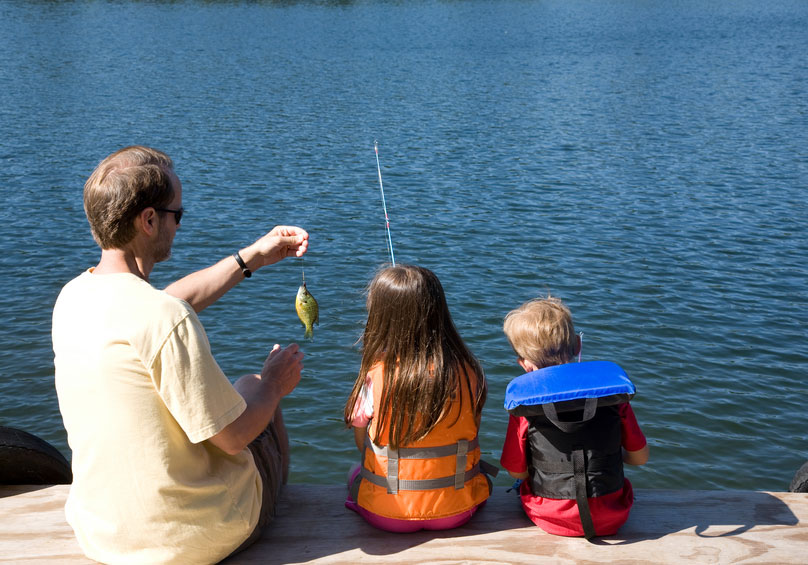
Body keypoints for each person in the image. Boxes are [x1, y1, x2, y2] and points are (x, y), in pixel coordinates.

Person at [52, 146, 309, 564]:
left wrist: (251, 258)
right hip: (185, 538)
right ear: (149, 221)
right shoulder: (163, 318)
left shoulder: (74, 296)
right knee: (255, 388)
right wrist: (274, 385)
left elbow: (165, 304)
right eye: (178, 214)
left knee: (245, 392)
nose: (178, 224)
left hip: (102, 531)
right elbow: (232, 438)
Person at [343, 265, 495, 532]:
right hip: (458, 510)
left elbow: (362, 444)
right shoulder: (470, 371)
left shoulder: (375, 374)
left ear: (379, 317)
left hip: (388, 515)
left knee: (354, 471)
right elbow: (473, 431)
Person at [499, 297, 650, 537]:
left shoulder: (524, 406)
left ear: (524, 364)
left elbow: (516, 471)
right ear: (577, 345)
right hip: (613, 513)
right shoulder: (612, 396)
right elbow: (640, 458)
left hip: (547, 516)